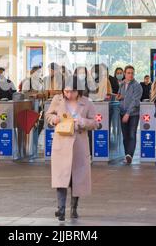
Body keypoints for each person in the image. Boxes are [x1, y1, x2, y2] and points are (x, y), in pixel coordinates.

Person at [45, 76, 98, 221]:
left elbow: (96, 123)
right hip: (61, 144)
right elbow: (48, 114)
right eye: (66, 91)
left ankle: (74, 208)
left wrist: (83, 122)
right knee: (61, 178)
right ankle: (60, 209)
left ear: (78, 90)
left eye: (72, 92)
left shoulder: (86, 103)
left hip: (79, 145)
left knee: (77, 178)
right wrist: (53, 119)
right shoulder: (57, 100)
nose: (68, 95)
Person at [117, 65, 143, 164]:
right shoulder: (122, 84)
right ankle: (127, 155)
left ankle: (129, 155)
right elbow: (120, 96)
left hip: (133, 114)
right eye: (128, 73)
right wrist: (119, 98)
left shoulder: (137, 86)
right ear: (125, 73)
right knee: (125, 136)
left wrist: (128, 113)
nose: (130, 75)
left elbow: (135, 101)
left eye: (132, 73)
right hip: (122, 113)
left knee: (132, 135)